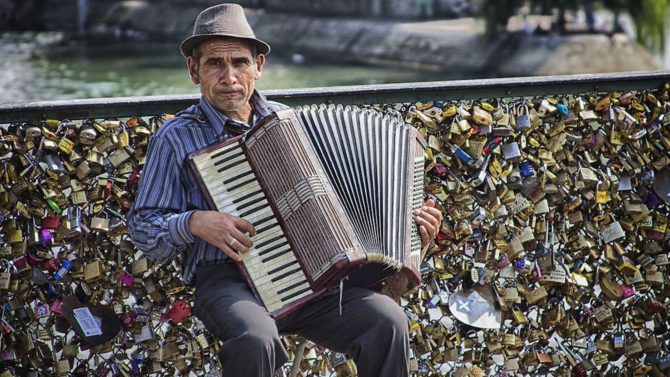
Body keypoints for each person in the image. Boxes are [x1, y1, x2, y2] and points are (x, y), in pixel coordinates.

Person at [127, 4, 443, 377]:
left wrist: (412, 232)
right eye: (215, 63)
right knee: (255, 338)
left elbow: (343, 202)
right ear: (194, 70)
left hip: (313, 279)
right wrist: (195, 222)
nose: (229, 76)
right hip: (228, 281)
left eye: (240, 63)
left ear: (258, 66)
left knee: (387, 322)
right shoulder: (177, 136)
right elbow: (143, 227)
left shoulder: (292, 124)